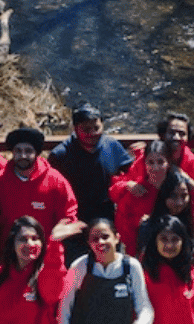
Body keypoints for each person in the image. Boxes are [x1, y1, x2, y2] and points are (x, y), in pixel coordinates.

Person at [49, 106, 134, 260]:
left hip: (107, 217)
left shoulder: (111, 145)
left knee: (111, 263)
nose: (92, 133)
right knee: (76, 268)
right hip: (75, 221)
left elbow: (131, 171)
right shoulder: (61, 155)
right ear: (75, 129)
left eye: (96, 128)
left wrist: (142, 153)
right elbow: (51, 189)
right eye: (86, 129)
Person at [111, 140, 194, 246]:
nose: (155, 168)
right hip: (145, 251)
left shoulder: (180, 190)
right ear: (144, 164)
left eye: (160, 162)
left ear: (169, 163)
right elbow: (123, 224)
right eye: (151, 163)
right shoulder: (137, 190)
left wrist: (190, 182)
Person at [0, 126, 78, 250]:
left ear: (36, 153)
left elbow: (69, 215)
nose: (23, 155)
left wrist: (55, 237)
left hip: (46, 254)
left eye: (28, 151)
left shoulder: (56, 181)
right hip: (9, 254)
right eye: (18, 151)